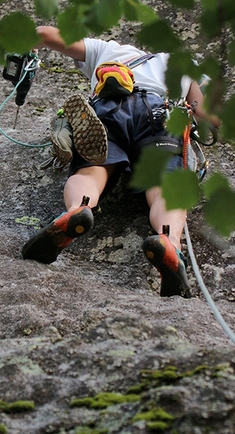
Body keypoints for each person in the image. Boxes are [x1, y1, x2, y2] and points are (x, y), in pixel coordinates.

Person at [21, 26, 209, 299]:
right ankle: (169, 242)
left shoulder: (110, 51)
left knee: (92, 170)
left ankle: (79, 208)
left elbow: (46, 34)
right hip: (161, 114)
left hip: (108, 109)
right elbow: (205, 116)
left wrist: (30, 49)